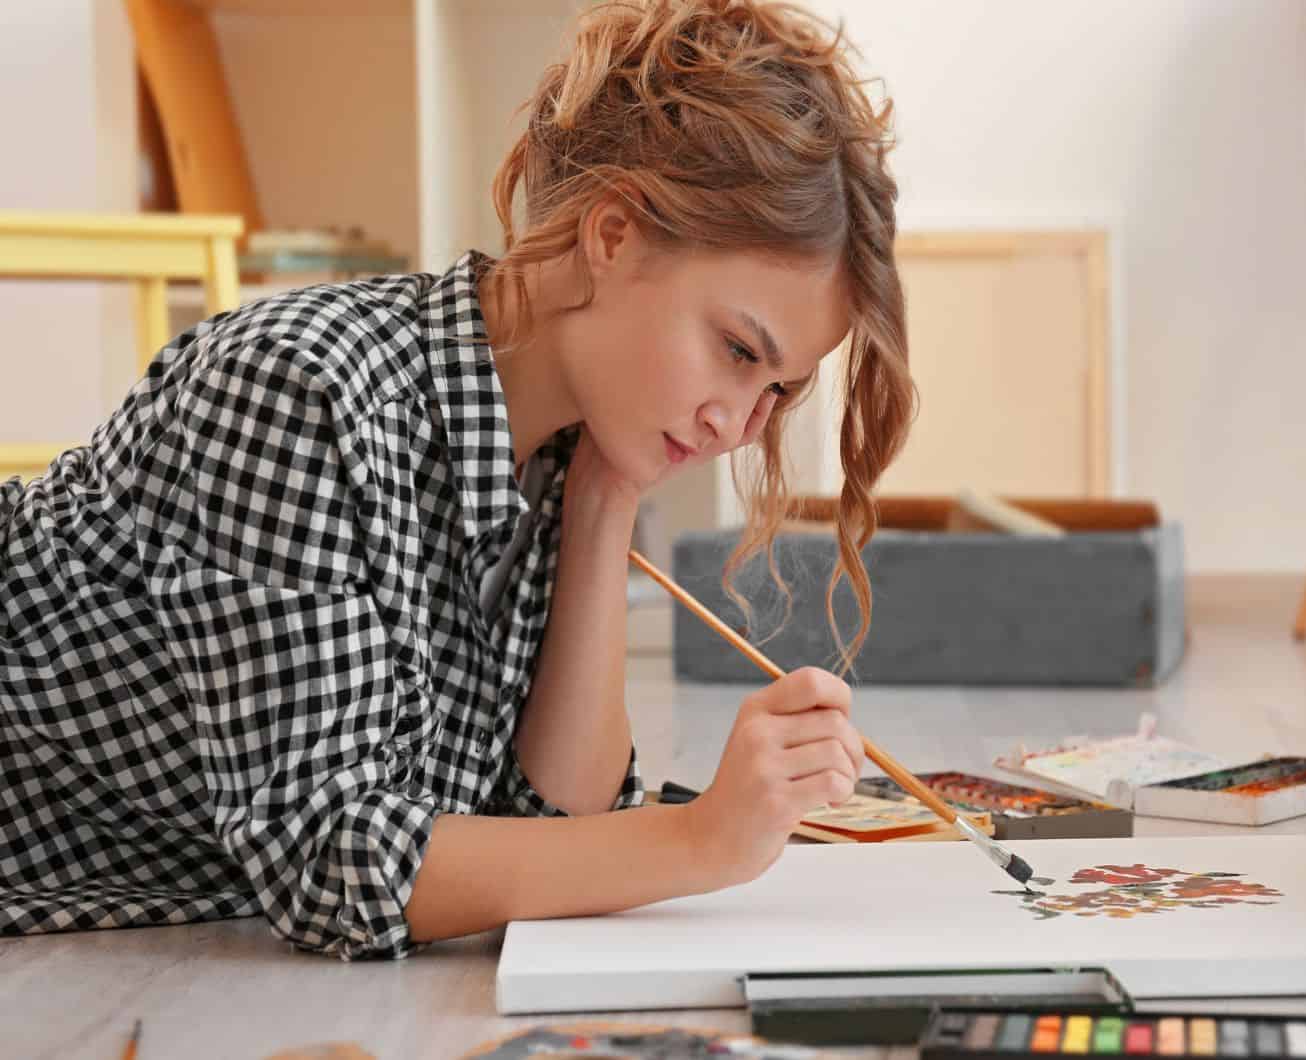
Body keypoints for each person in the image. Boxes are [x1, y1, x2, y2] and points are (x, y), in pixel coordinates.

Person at [0, 0, 913, 960]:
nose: (737, 424)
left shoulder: (576, 442)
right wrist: (700, 840)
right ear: (614, 236)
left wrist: (606, 502)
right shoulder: (302, 390)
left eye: (775, 387)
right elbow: (337, 866)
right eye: (734, 349)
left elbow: (550, 830)